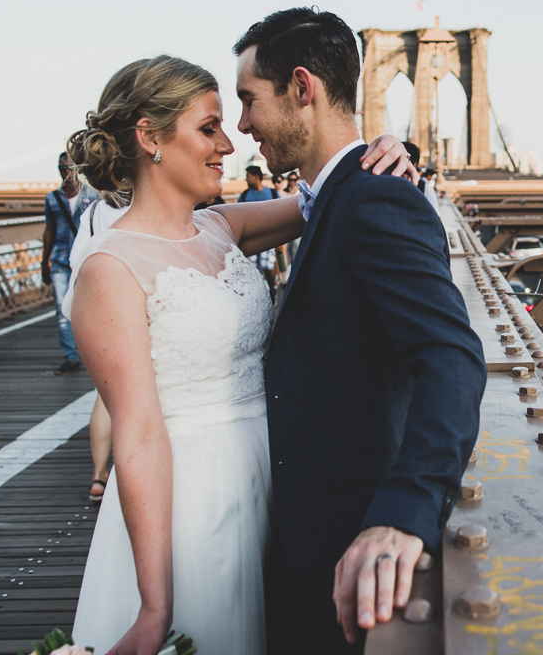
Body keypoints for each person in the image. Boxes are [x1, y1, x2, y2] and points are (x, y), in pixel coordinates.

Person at [65, 54, 413, 655]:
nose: (230, 142)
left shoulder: (222, 227)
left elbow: (330, 195)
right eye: (208, 128)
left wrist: (381, 154)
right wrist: (155, 606)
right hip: (196, 502)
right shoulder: (109, 269)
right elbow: (141, 432)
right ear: (149, 137)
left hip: (278, 480)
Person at [234, 8, 485, 654]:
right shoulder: (339, 194)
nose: (242, 125)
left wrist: (407, 512)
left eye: (247, 99)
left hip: (348, 550)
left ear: (301, 87)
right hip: (301, 542)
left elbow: (451, 355)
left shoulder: (376, 197)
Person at [67, 194, 130, 503]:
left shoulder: (93, 212)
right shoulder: (146, 204)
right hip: (136, 302)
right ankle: (130, 471)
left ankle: (98, 474)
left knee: (104, 397)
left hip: (103, 310)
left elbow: (75, 260)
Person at [41, 152, 99, 375]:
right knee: (60, 308)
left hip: (84, 260)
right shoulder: (52, 198)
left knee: (88, 308)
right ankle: (70, 356)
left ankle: (92, 353)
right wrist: (43, 262)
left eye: (70, 168)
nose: (66, 172)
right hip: (60, 260)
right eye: (62, 168)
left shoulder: (93, 196)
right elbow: (50, 230)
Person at [238, 165, 283, 297]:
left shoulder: (273, 194)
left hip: (269, 238)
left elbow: (280, 216)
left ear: (256, 177)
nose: (246, 179)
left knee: (268, 267)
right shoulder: (244, 195)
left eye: (248, 176)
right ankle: (256, 295)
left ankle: (272, 290)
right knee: (251, 269)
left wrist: (280, 240)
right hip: (250, 239)